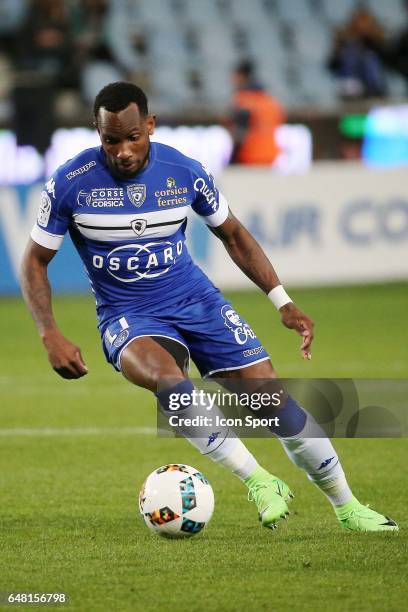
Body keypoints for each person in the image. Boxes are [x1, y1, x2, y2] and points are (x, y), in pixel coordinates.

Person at [20, 81, 397, 532]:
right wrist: (49, 333)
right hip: (128, 314)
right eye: (111, 140)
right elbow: (35, 261)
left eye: (133, 136)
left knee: (272, 401)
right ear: (96, 133)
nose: (122, 151)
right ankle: (259, 480)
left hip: (196, 300)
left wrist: (282, 300)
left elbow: (233, 234)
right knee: (168, 382)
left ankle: (348, 507)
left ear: (151, 126)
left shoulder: (183, 171)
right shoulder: (69, 184)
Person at [229, 60, 285, 165]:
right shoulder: (270, 100)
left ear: (241, 76)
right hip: (272, 157)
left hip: (250, 158)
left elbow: (240, 135)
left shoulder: (243, 100)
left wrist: (232, 161)